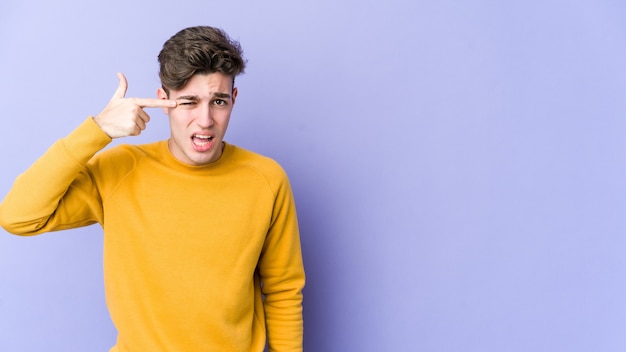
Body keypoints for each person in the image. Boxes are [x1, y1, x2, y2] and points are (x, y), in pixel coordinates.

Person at [0, 26, 305, 352]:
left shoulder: (266, 178)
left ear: (234, 99)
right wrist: (97, 130)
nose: (205, 120)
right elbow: (18, 216)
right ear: (163, 101)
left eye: (218, 101)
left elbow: (283, 289)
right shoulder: (120, 171)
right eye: (189, 102)